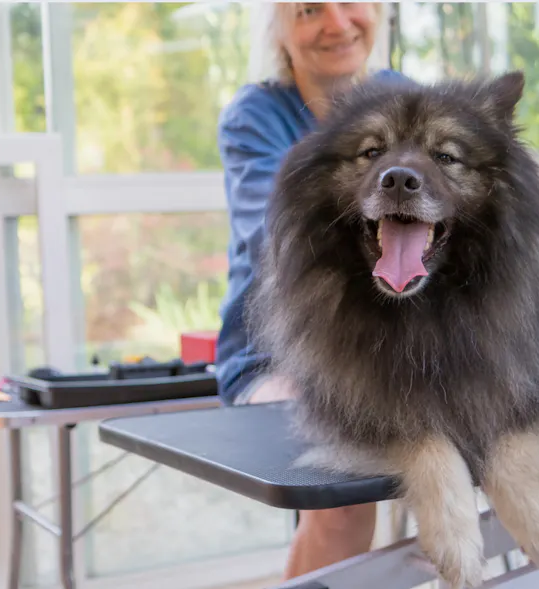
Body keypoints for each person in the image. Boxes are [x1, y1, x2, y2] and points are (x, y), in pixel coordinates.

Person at [214, 2, 406, 580]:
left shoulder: (404, 94)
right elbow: (281, 241)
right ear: (277, 31)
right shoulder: (255, 117)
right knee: (341, 503)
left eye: (352, 1)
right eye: (307, 9)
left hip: (397, 349)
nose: (337, 22)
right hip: (279, 354)